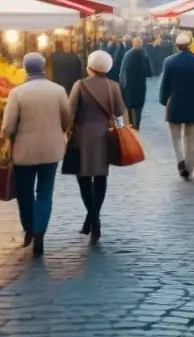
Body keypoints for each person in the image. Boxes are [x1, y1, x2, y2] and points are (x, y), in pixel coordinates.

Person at [1, 53, 70, 258]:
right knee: (45, 191)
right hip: (52, 149)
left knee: (25, 193)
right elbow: (66, 118)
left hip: (24, 150)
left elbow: (7, 126)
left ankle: (29, 228)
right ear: (44, 68)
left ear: (25, 68)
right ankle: (40, 232)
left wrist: (8, 137)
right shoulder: (58, 90)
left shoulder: (17, 93)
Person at [68, 49, 127, 243]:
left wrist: (66, 129)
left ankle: (92, 218)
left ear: (90, 67)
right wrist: (122, 133)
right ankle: (93, 218)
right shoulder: (113, 86)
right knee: (101, 178)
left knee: (84, 179)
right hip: (104, 137)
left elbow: (70, 111)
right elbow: (119, 112)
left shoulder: (80, 85)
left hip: (83, 137)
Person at [159, 32, 194, 179]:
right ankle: (189, 166)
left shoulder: (169, 61)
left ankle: (180, 161)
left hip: (175, 105)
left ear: (177, 45)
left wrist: (163, 100)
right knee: (192, 138)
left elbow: (165, 85)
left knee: (176, 137)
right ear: (190, 44)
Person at [119, 36, 153, 130]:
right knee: (138, 107)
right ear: (141, 44)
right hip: (140, 84)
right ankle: (137, 124)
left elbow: (123, 71)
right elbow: (149, 72)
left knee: (129, 105)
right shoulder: (143, 54)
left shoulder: (128, 54)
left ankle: (131, 123)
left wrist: (122, 84)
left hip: (129, 84)